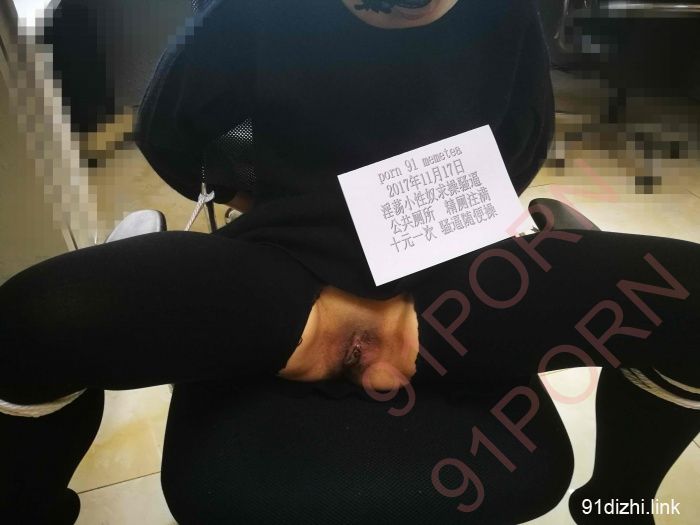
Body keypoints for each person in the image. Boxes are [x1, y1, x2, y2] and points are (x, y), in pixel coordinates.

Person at [1, 0, 698, 523]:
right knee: (27, 323)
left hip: (451, 283)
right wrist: (269, 201)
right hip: (282, 269)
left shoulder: (504, 11)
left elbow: (517, 147)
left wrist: (449, 221)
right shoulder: (252, 11)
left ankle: (619, 509)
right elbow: (169, 134)